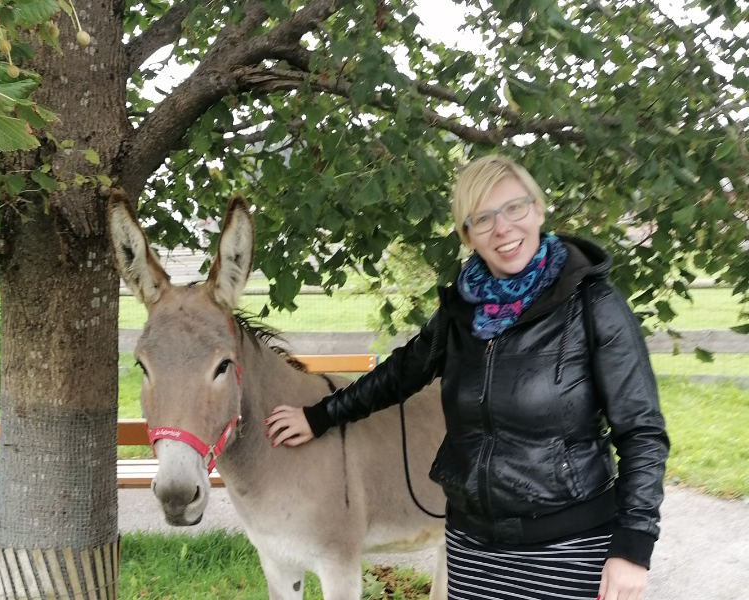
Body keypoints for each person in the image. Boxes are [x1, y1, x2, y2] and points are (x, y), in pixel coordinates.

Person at [265, 155, 669, 600]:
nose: (502, 228)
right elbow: (398, 375)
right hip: (473, 547)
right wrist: (319, 417)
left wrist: (634, 545)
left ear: (537, 209)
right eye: (483, 218)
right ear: (467, 235)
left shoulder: (593, 303)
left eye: (514, 208)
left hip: (568, 548)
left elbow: (642, 432)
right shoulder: (461, 312)